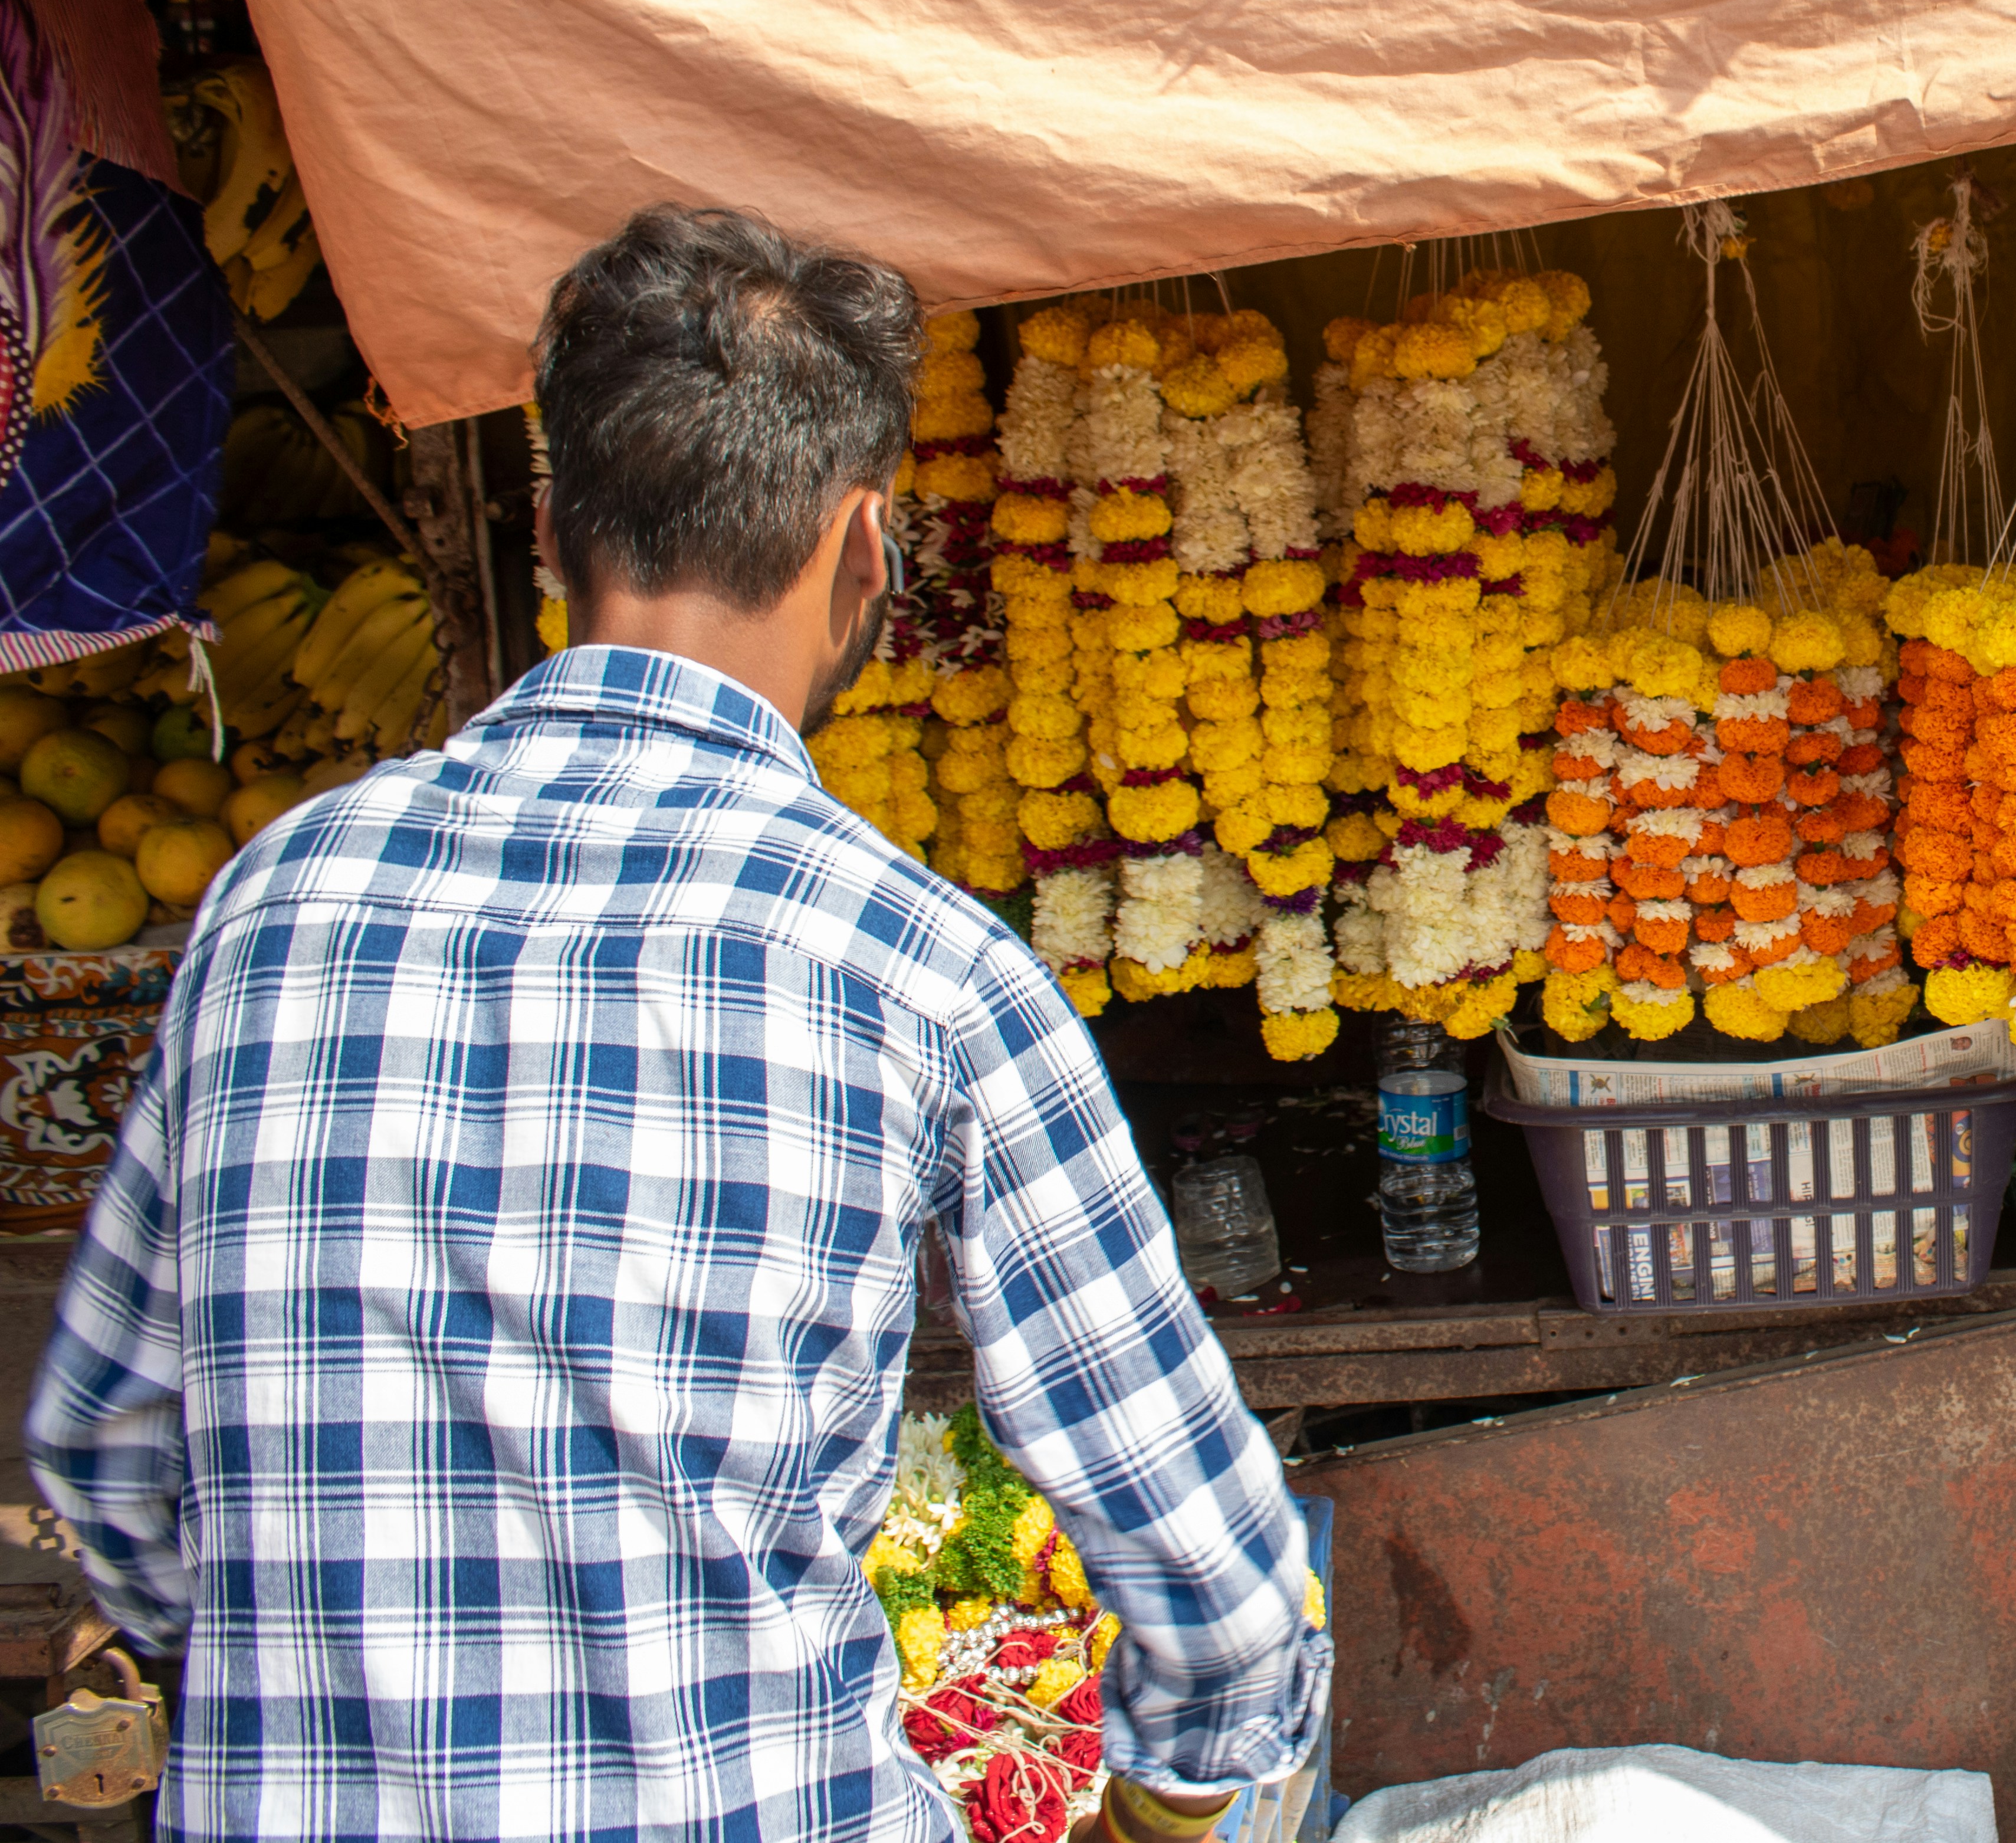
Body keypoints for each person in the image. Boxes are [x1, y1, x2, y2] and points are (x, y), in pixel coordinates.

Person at [27, 206, 1324, 1842]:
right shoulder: (917, 962)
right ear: (867, 547)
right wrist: (1161, 1808)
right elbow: (1217, 1581)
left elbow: (104, 1448)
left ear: (556, 521)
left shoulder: (277, 896)